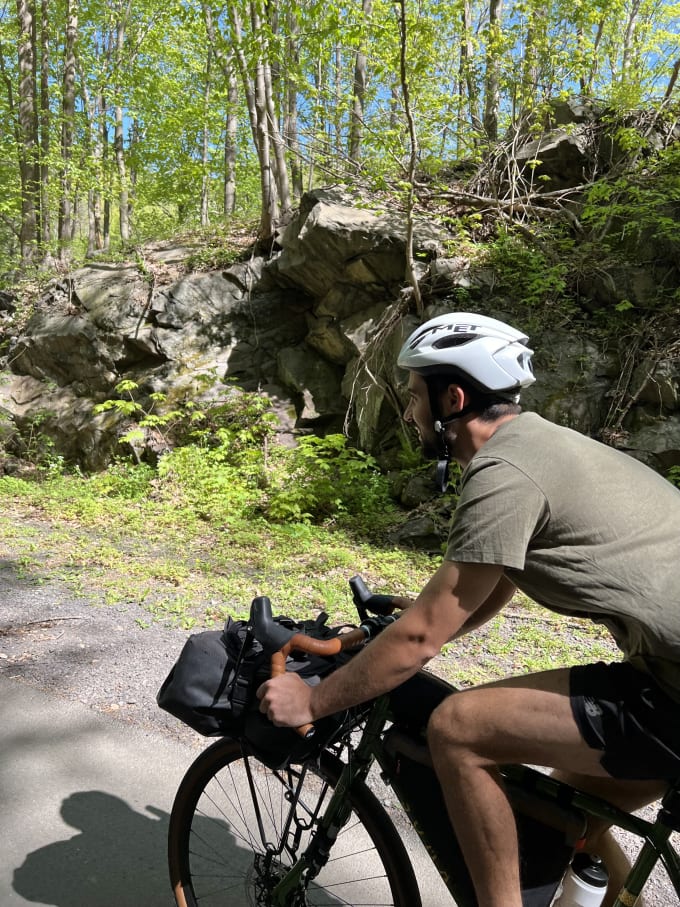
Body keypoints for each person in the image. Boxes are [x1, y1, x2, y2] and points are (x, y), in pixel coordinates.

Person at [257, 311, 680, 907]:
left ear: (452, 396)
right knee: (561, 815)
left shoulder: (504, 472)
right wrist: (422, 619)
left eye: (413, 396)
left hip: (671, 692)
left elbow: (422, 638)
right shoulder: (542, 446)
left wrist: (312, 699)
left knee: (456, 728)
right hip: (663, 677)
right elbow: (495, 576)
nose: (409, 413)